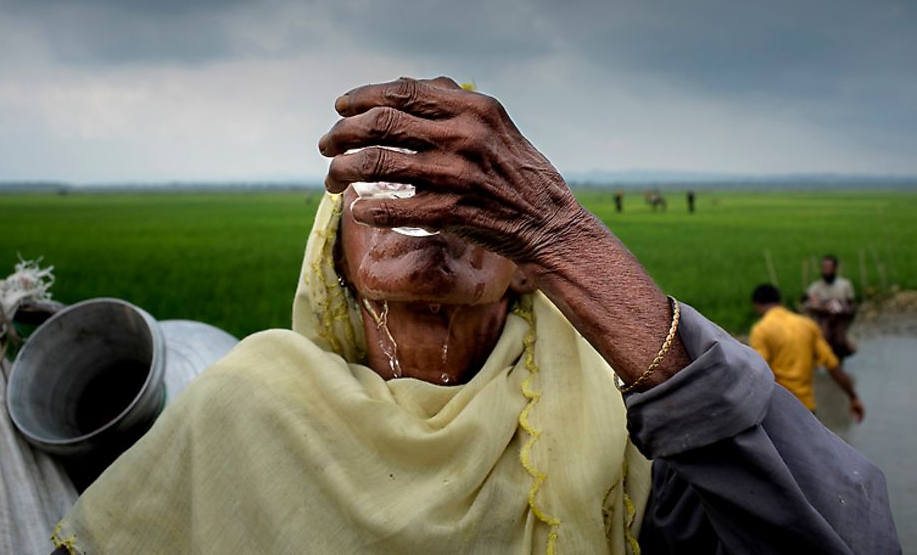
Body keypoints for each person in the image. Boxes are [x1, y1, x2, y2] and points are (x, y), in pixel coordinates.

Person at [50, 78, 898, 554]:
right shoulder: (244, 407)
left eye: (466, 185)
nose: (426, 205)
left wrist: (567, 237)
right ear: (333, 257)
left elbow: (847, 538)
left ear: (522, 266)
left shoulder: (615, 429)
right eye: (391, 175)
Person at [750, 284, 864, 421]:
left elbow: (758, 372)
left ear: (757, 305)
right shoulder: (807, 325)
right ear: (781, 302)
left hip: (780, 410)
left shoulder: (761, 330)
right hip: (807, 409)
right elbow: (832, 365)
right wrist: (853, 397)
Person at [805, 255, 857, 360]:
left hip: (840, 319)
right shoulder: (815, 287)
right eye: (824, 268)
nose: (826, 271)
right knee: (825, 338)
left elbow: (851, 305)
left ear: (835, 268)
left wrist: (844, 310)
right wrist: (821, 307)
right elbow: (809, 304)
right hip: (823, 318)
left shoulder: (845, 285)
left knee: (840, 341)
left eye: (829, 268)